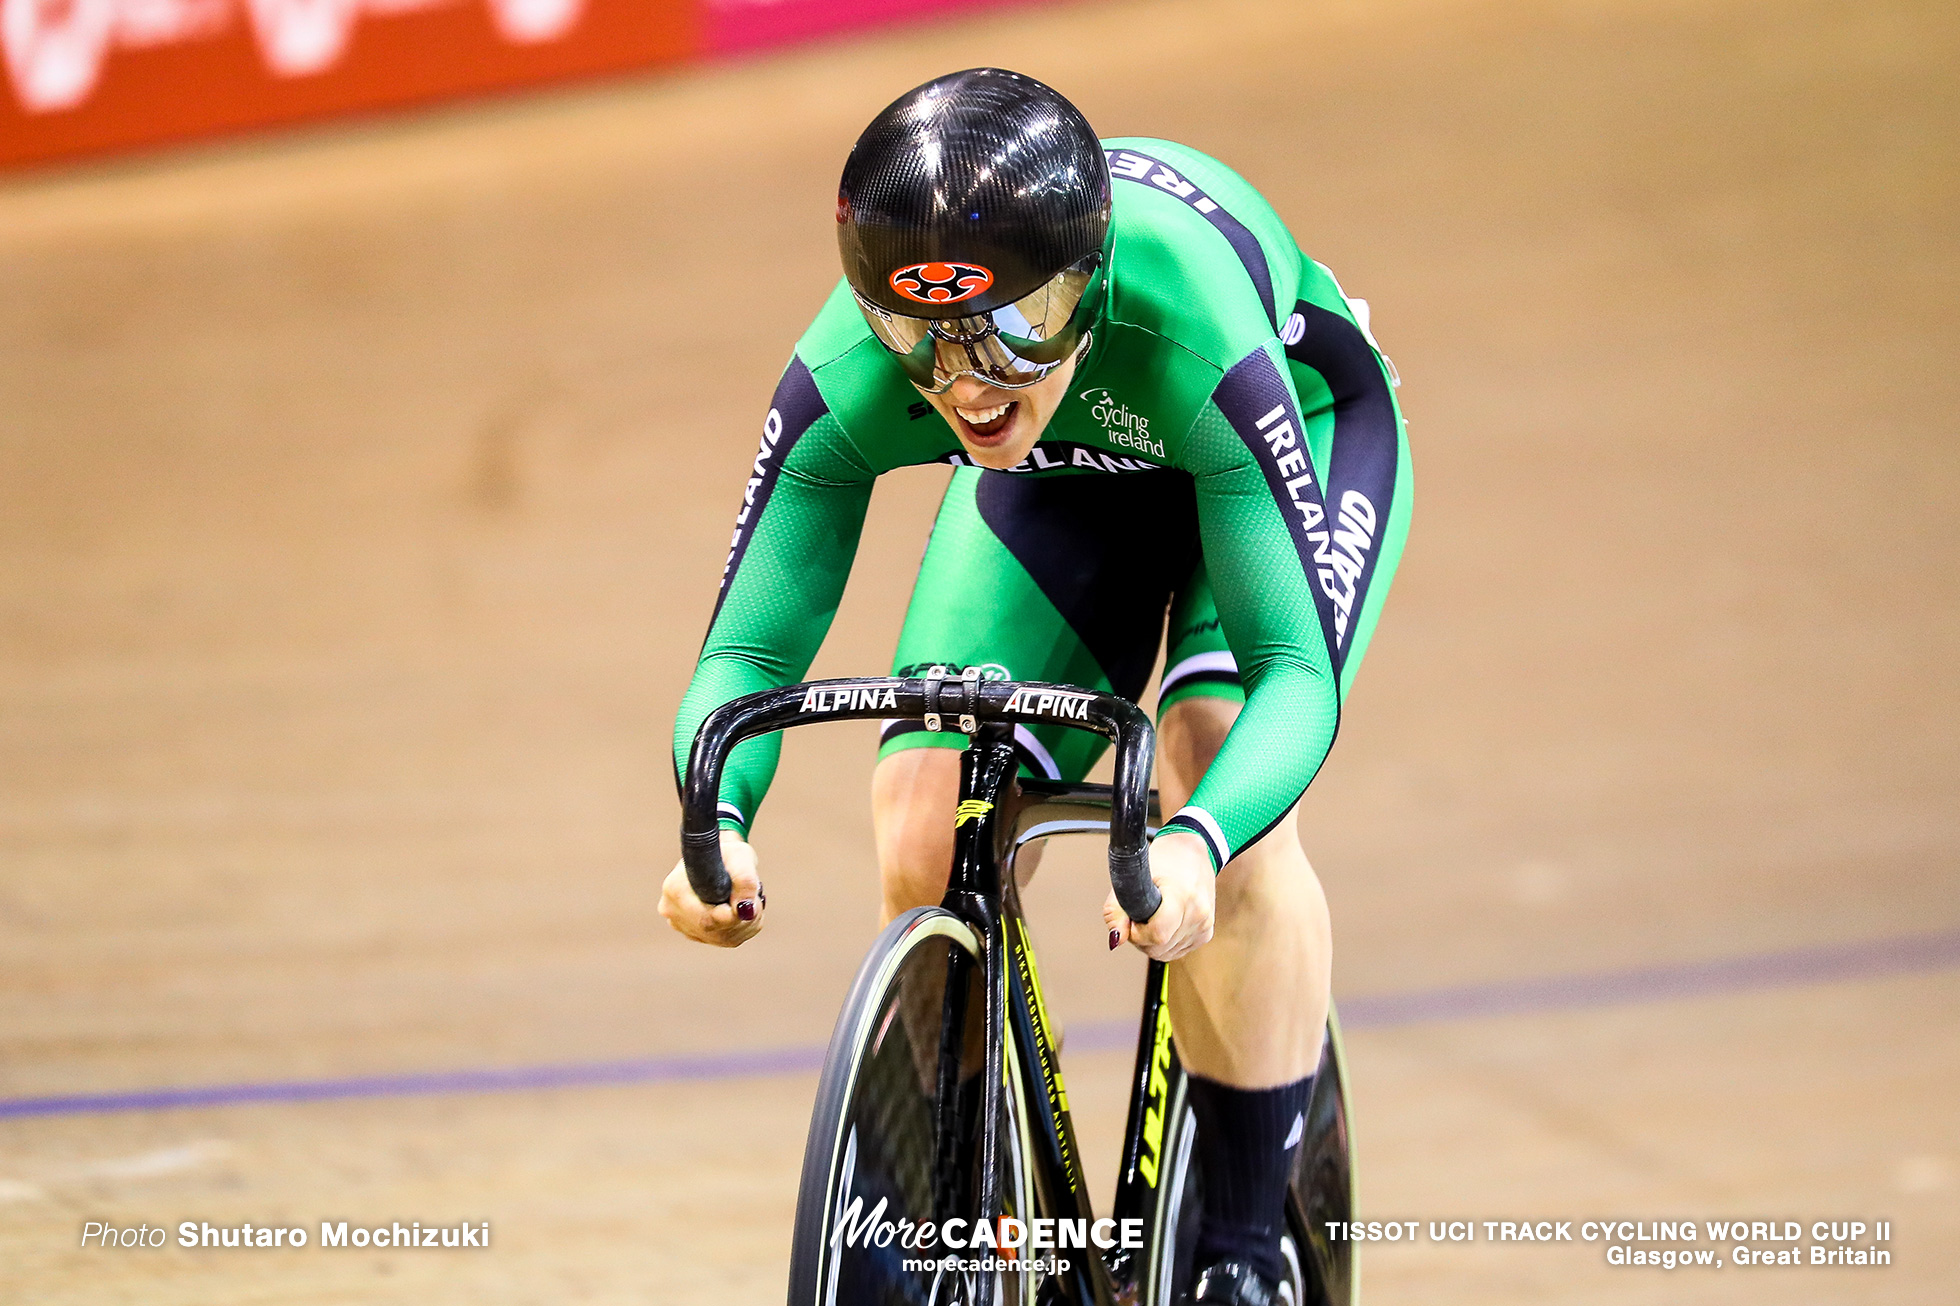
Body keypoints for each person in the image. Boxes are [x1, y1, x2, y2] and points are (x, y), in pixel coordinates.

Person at [659, 67, 1409, 1306]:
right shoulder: (862, 370)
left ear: (1090, 282)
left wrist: (1199, 839)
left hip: (1282, 437)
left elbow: (1295, 679)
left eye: (1013, 324)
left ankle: (1239, 1251)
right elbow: (743, 660)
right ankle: (987, 1219)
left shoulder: (1184, 320)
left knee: (1210, 742)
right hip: (1072, 461)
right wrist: (712, 826)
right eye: (924, 336)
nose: (968, 382)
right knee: (922, 803)